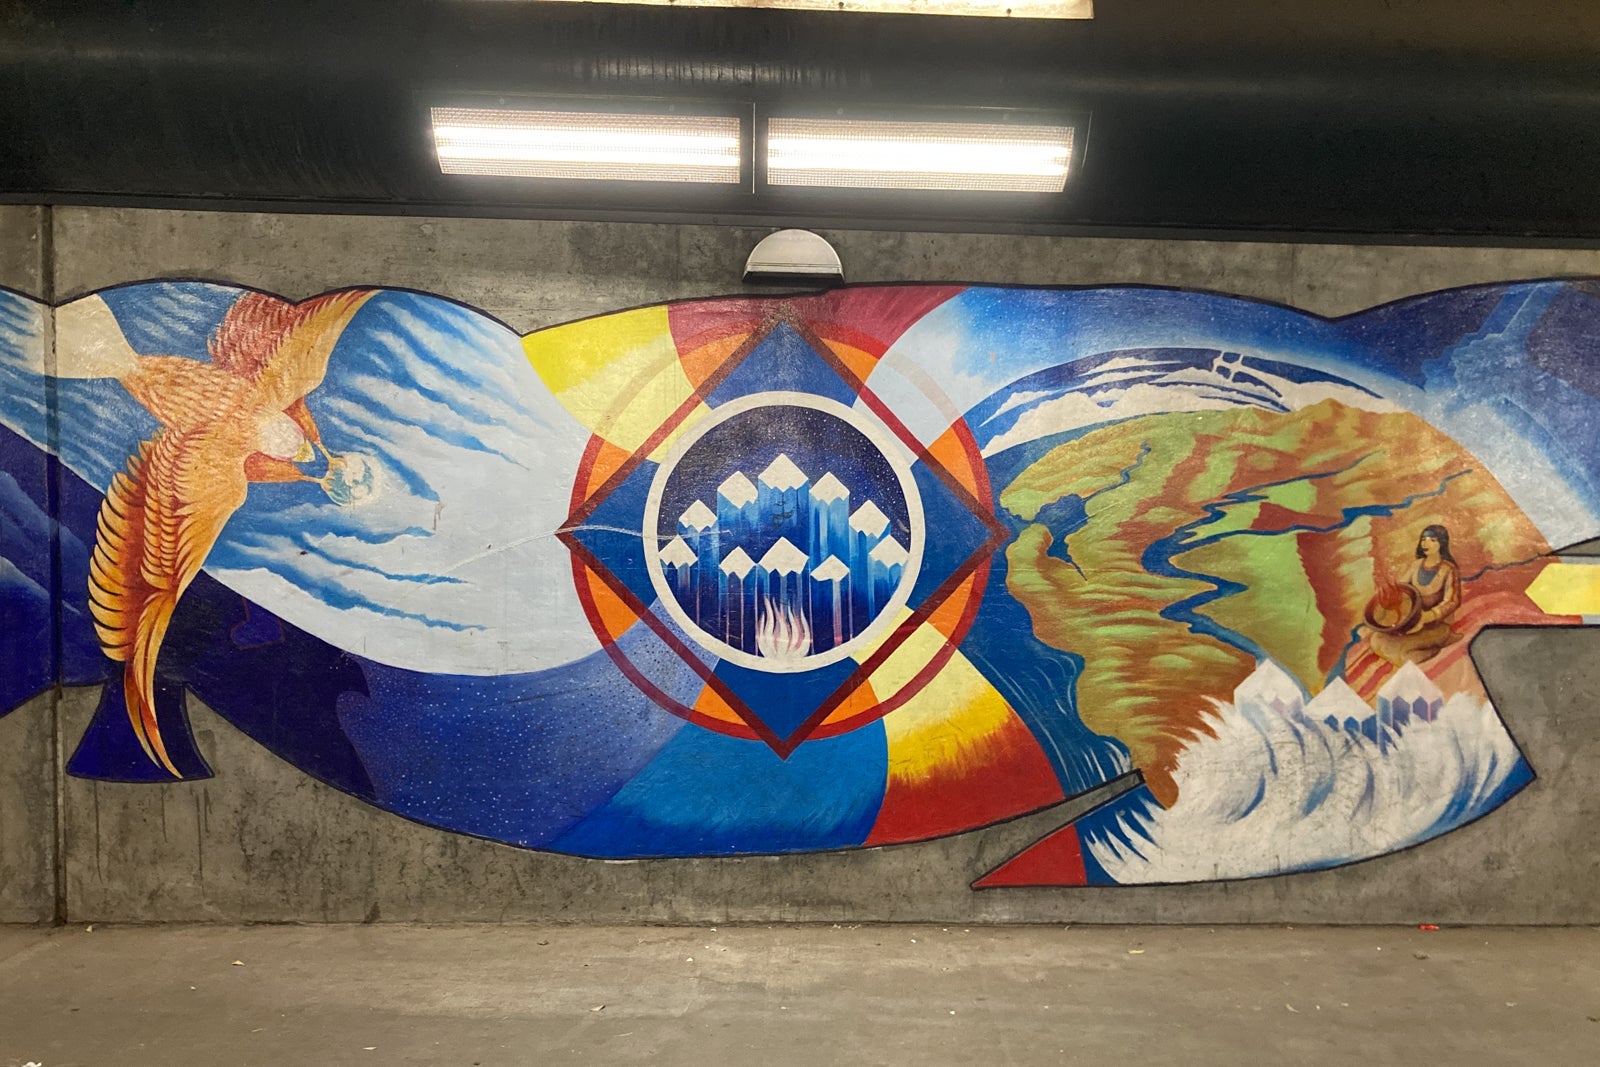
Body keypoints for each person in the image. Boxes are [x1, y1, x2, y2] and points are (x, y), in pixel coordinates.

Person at [1363, 524, 1461, 666]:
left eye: (1432, 540)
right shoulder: (1416, 565)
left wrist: (1428, 616)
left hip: (1436, 625)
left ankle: (1440, 643)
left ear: (1442, 543)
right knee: (1376, 640)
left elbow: (1452, 601)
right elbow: (1402, 589)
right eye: (1423, 540)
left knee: (1405, 655)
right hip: (1412, 623)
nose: (1426, 543)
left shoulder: (1448, 570)